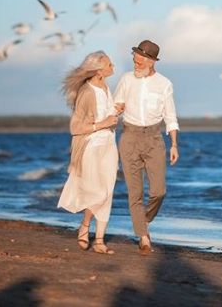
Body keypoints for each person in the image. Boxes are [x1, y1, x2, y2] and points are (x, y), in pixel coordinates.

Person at [113, 39, 179, 255]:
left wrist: (174, 145)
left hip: (154, 139)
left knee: (159, 192)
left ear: (151, 62)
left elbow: (170, 117)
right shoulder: (126, 80)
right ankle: (143, 237)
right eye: (134, 61)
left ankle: (143, 222)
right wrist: (117, 109)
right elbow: (115, 107)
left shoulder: (165, 84)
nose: (136, 65)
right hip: (129, 137)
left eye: (140, 62)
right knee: (135, 193)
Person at [57, 50, 121, 255]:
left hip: (109, 145)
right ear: (99, 70)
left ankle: (100, 240)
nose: (113, 68)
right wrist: (103, 124)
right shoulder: (86, 92)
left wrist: (116, 111)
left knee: (108, 192)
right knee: (97, 192)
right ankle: (85, 226)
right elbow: (76, 127)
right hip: (91, 147)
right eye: (110, 65)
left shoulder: (105, 86)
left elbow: (106, 115)